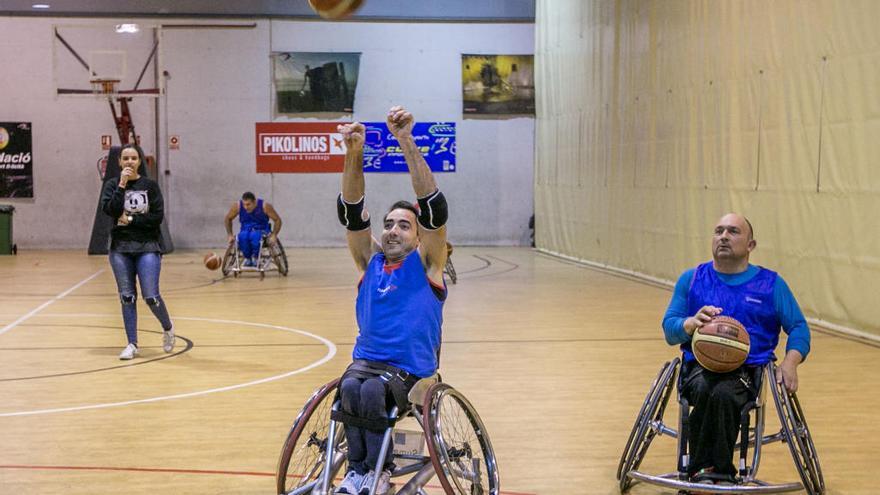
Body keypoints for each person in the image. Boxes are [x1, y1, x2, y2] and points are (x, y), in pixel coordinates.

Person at [332, 106, 449, 495]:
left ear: (418, 237)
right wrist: (354, 152)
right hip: (366, 363)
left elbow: (433, 207)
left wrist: (405, 140)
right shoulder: (371, 261)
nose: (394, 230)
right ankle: (360, 471)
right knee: (351, 388)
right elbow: (351, 212)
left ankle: (378, 471)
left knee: (368, 391)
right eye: (389, 224)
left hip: (411, 369)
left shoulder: (429, 264)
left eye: (404, 224)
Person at [661, 213, 811, 485]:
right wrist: (690, 323)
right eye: (718, 231)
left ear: (751, 245)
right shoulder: (692, 279)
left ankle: (711, 473)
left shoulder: (771, 284)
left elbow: (799, 327)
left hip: (747, 370)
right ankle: (708, 472)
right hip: (699, 367)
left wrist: (790, 362)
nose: (723, 237)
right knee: (708, 388)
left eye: (733, 231)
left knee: (724, 393)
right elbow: (669, 328)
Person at [100, 144, 175, 360]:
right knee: (126, 297)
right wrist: (122, 185)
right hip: (120, 248)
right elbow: (111, 210)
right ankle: (132, 344)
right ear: (119, 162)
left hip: (147, 246)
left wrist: (130, 219)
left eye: (134, 158)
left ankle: (168, 327)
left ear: (139, 161)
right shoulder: (113, 185)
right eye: (126, 158)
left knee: (150, 296)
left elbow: (155, 219)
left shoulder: (150, 186)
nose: (130, 162)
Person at [223, 192, 282, 267]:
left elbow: (277, 220)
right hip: (246, 229)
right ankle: (248, 258)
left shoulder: (265, 206)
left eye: (248, 204)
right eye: (244, 204)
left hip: (261, 229)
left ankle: (256, 257)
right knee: (242, 236)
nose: (246, 207)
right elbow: (228, 219)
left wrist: (274, 235)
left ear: (254, 202)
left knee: (255, 236)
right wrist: (230, 235)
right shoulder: (237, 206)